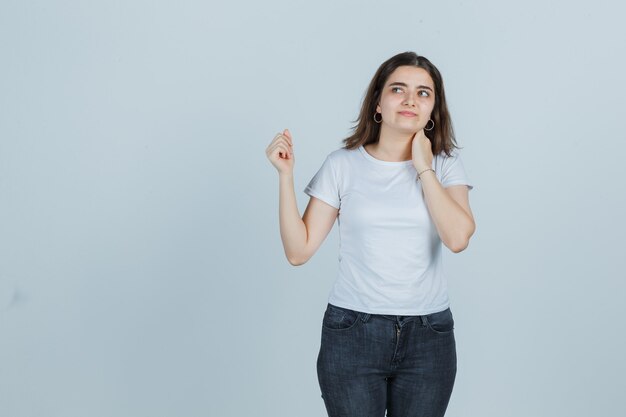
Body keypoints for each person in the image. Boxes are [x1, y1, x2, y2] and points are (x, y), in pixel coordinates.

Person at [265, 51, 475, 417]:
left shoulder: (444, 165)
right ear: (378, 103)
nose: (411, 99)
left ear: (433, 110)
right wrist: (286, 178)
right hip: (353, 332)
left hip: (430, 335)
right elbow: (298, 251)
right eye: (398, 89)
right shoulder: (343, 165)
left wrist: (423, 167)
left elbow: (457, 238)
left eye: (423, 93)